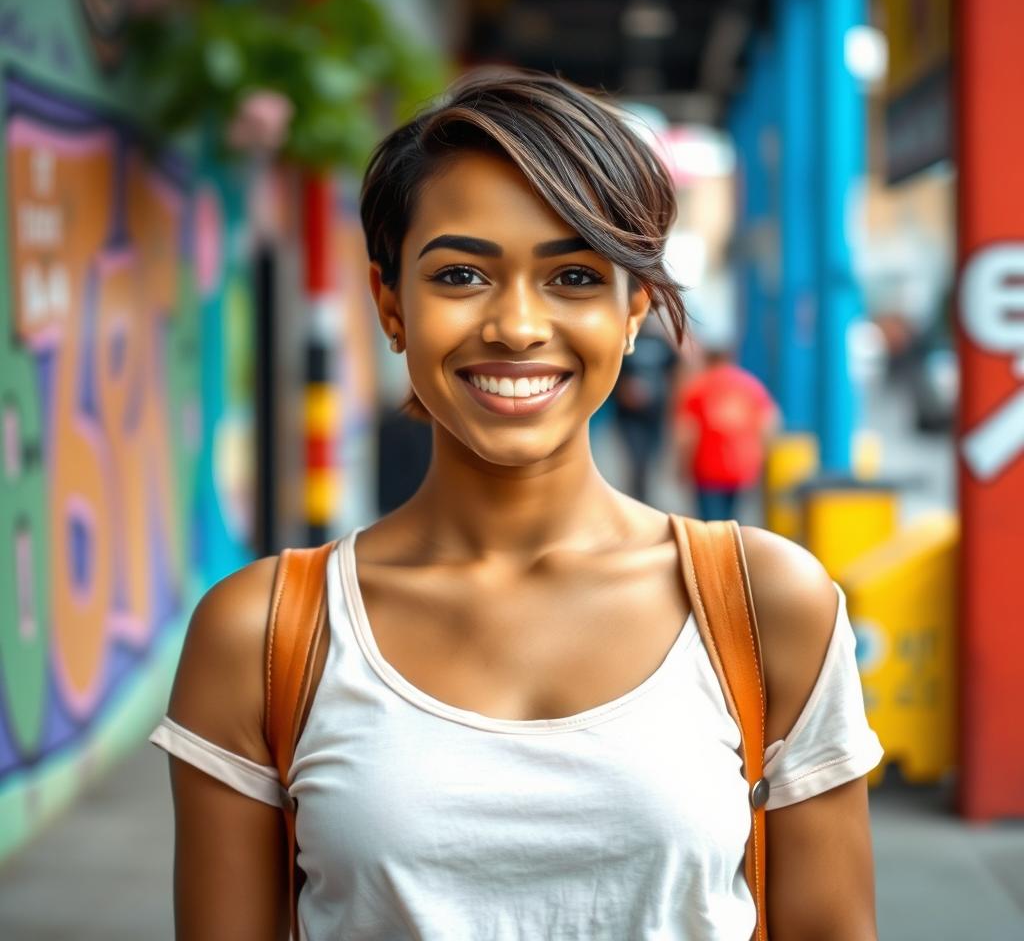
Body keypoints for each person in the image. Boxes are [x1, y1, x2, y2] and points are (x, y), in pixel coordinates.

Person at [150, 70, 882, 940]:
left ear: (634, 308)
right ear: (392, 306)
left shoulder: (764, 607)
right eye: (461, 274)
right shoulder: (264, 635)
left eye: (574, 276)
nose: (518, 326)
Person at [674, 348, 781, 522]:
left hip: (707, 469)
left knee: (711, 524)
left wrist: (682, 466)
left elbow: (686, 433)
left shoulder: (698, 387)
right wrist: (761, 455)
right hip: (742, 468)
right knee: (734, 521)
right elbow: (770, 423)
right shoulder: (750, 384)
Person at [611, 317, 679, 502]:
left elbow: (677, 370)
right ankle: (638, 496)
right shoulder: (624, 344)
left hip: (655, 412)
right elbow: (612, 374)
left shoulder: (662, 343)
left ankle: (641, 494)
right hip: (629, 414)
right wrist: (624, 391)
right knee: (636, 457)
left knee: (650, 458)